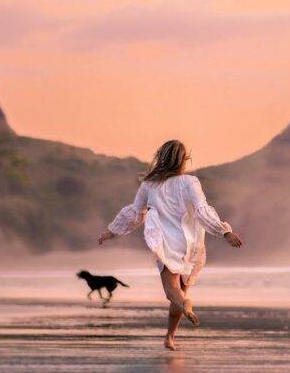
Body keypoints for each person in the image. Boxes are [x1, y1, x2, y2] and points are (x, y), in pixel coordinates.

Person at [98, 140, 243, 350]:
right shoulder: (190, 182)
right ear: (184, 160)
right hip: (191, 243)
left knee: (172, 291)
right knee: (181, 292)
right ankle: (170, 336)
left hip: (166, 243)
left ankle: (185, 307)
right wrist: (225, 232)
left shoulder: (149, 184)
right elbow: (202, 210)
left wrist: (111, 232)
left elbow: (135, 214)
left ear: (161, 157)